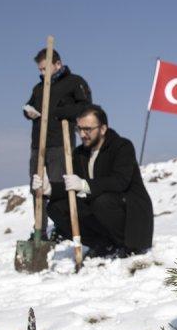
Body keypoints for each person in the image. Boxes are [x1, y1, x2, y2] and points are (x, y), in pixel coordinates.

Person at [33, 104, 153, 257]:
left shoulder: (122, 146)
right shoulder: (79, 154)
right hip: (98, 207)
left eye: (87, 129)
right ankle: (102, 244)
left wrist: (84, 185)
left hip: (130, 213)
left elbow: (119, 181)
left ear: (103, 129)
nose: (82, 134)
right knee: (55, 207)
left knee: (102, 202)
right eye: (79, 129)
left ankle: (128, 246)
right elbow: (73, 187)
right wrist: (49, 189)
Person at [23, 48, 92, 238]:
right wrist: (28, 112)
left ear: (58, 64)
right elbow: (29, 105)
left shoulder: (74, 82)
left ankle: (63, 229)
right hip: (38, 144)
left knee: (58, 187)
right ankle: (40, 230)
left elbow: (86, 107)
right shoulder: (39, 89)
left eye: (45, 69)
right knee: (37, 188)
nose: (42, 73)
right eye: (40, 70)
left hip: (61, 143)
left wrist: (62, 112)